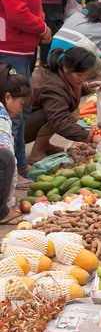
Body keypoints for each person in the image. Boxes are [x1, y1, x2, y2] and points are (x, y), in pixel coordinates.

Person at [0, 0, 52, 177]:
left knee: (18, 109)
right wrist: (42, 28)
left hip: (18, 47)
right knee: (15, 111)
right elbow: (17, 13)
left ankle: (18, 165)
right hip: (12, 49)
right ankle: (17, 168)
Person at [24, 47, 101, 165]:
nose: (83, 78)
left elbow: (67, 92)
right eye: (79, 74)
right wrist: (90, 137)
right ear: (65, 68)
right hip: (20, 128)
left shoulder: (60, 73)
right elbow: (60, 122)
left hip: (30, 117)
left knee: (66, 110)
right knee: (64, 114)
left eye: (86, 74)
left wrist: (88, 87)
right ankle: (37, 153)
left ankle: (44, 145)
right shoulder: (52, 86)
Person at [0, 64, 32, 225]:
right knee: (5, 157)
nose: (20, 110)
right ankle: (1, 214)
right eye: (21, 104)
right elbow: (8, 163)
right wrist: (8, 202)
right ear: (7, 97)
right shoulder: (2, 120)